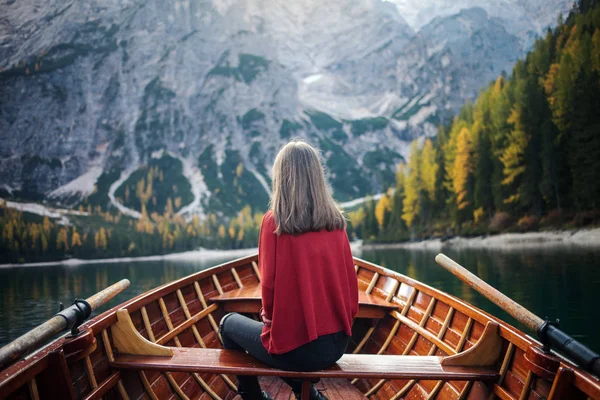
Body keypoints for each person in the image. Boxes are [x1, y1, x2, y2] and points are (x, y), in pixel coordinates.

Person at [219, 139, 359, 400]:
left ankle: (252, 395)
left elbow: (269, 285)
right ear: (317, 176)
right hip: (338, 345)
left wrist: (269, 322)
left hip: (298, 353)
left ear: (282, 177)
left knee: (228, 324)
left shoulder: (275, 222)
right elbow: (351, 286)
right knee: (283, 341)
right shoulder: (335, 221)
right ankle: (309, 394)